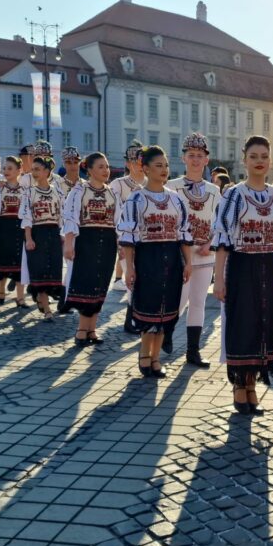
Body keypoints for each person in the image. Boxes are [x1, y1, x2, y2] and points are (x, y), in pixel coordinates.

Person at [213, 136, 273, 414]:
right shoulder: (234, 195)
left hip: (270, 267)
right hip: (242, 266)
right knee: (243, 325)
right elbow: (223, 239)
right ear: (245, 159)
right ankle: (240, 385)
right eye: (254, 156)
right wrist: (219, 277)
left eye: (264, 156)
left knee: (266, 324)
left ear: (270, 160)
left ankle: (252, 384)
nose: (260, 161)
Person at [118, 146, 192, 378]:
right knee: (149, 308)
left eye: (166, 165)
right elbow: (128, 237)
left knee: (166, 310)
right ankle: (144, 353)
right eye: (158, 165)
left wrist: (188, 262)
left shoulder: (176, 199)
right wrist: (129, 267)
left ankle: (157, 357)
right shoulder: (136, 198)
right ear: (146, 168)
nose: (164, 170)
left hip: (171, 259)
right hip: (147, 257)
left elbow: (183, 233)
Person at [165, 133, 221, 366]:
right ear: (183, 158)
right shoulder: (172, 187)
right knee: (179, 299)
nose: (196, 160)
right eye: (191, 156)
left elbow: (221, 223)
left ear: (206, 160)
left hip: (206, 254)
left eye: (200, 156)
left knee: (198, 302)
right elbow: (168, 219)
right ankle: (165, 333)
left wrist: (211, 243)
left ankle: (192, 351)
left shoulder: (215, 191)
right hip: (182, 255)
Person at [60, 152, 120, 346]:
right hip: (87, 241)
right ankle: (81, 331)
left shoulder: (112, 192)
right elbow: (71, 218)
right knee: (86, 284)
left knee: (101, 284)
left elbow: (119, 222)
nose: (106, 170)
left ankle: (92, 330)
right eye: (101, 166)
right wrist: (69, 244)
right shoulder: (79, 191)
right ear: (90, 169)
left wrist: (122, 247)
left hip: (108, 241)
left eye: (107, 166)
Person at [21, 156, 65, 321]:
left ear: (47, 171)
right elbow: (26, 217)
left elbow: (62, 214)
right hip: (37, 233)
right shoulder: (29, 192)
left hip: (53, 233)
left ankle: (43, 299)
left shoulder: (57, 191)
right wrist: (29, 238)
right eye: (33, 169)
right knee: (39, 270)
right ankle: (47, 309)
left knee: (52, 269)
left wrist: (61, 235)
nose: (34, 172)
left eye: (38, 169)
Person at [110, 141, 147, 332]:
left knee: (144, 280)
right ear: (127, 164)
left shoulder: (152, 184)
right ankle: (129, 319)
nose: (137, 165)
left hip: (148, 240)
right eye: (133, 161)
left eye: (140, 161)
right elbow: (115, 214)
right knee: (131, 279)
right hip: (126, 240)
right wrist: (119, 242)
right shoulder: (118, 184)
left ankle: (139, 317)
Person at [0, 156, 29, 307]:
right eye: (4, 168)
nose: (6, 171)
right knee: (3, 260)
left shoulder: (25, 189)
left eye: (10, 168)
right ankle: (2, 289)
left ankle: (20, 297)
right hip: (3, 227)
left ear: (19, 170)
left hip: (20, 228)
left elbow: (28, 212)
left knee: (20, 262)